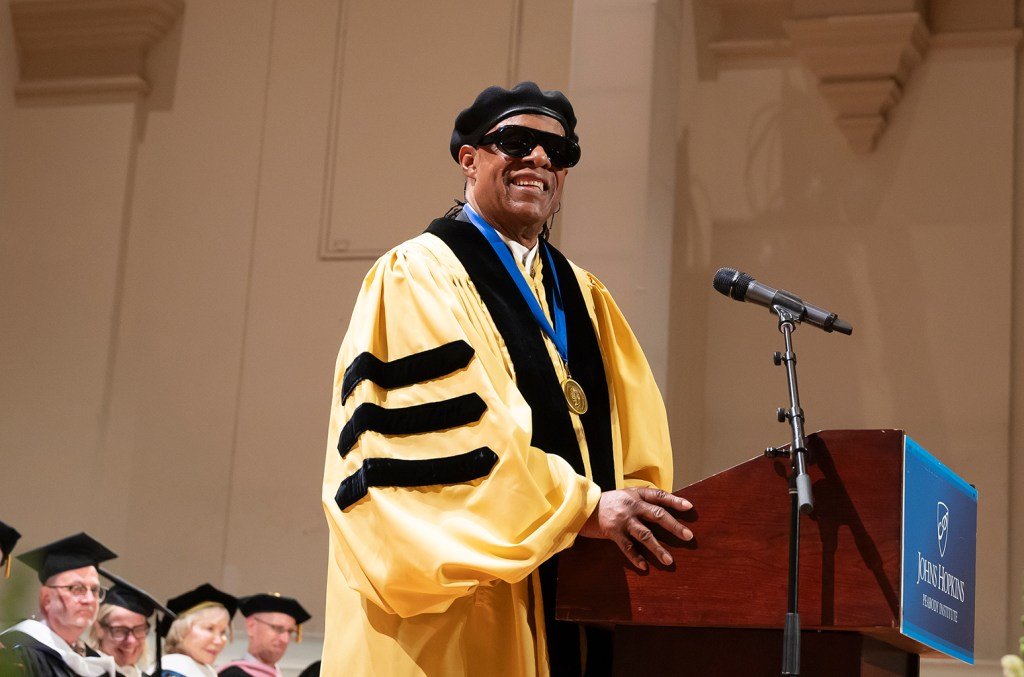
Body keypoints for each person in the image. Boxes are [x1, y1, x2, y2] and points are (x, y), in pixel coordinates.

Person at [320, 81, 694, 676]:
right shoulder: (417, 275)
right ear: (469, 160)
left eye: (558, 151)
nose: (539, 159)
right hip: (463, 608)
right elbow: (452, 443)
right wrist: (585, 508)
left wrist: (636, 519)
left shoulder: (586, 298)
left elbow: (637, 449)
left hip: (573, 599)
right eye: (516, 143)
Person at [0, 532, 117, 677]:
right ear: (46, 599)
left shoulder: (97, 664)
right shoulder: (17, 652)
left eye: (94, 590)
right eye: (77, 589)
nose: (89, 599)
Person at [217, 593, 310, 677]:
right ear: (251, 627)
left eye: (290, 632)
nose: (285, 639)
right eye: (278, 628)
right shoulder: (231, 675)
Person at [160, 584, 236, 677]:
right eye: (209, 628)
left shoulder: (206, 671)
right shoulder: (172, 671)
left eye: (223, 632)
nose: (219, 641)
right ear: (181, 630)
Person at [87, 584, 157, 677]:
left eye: (139, 630)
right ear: (99, 629)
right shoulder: (83, 672)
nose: (131, 641)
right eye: (120, 630)